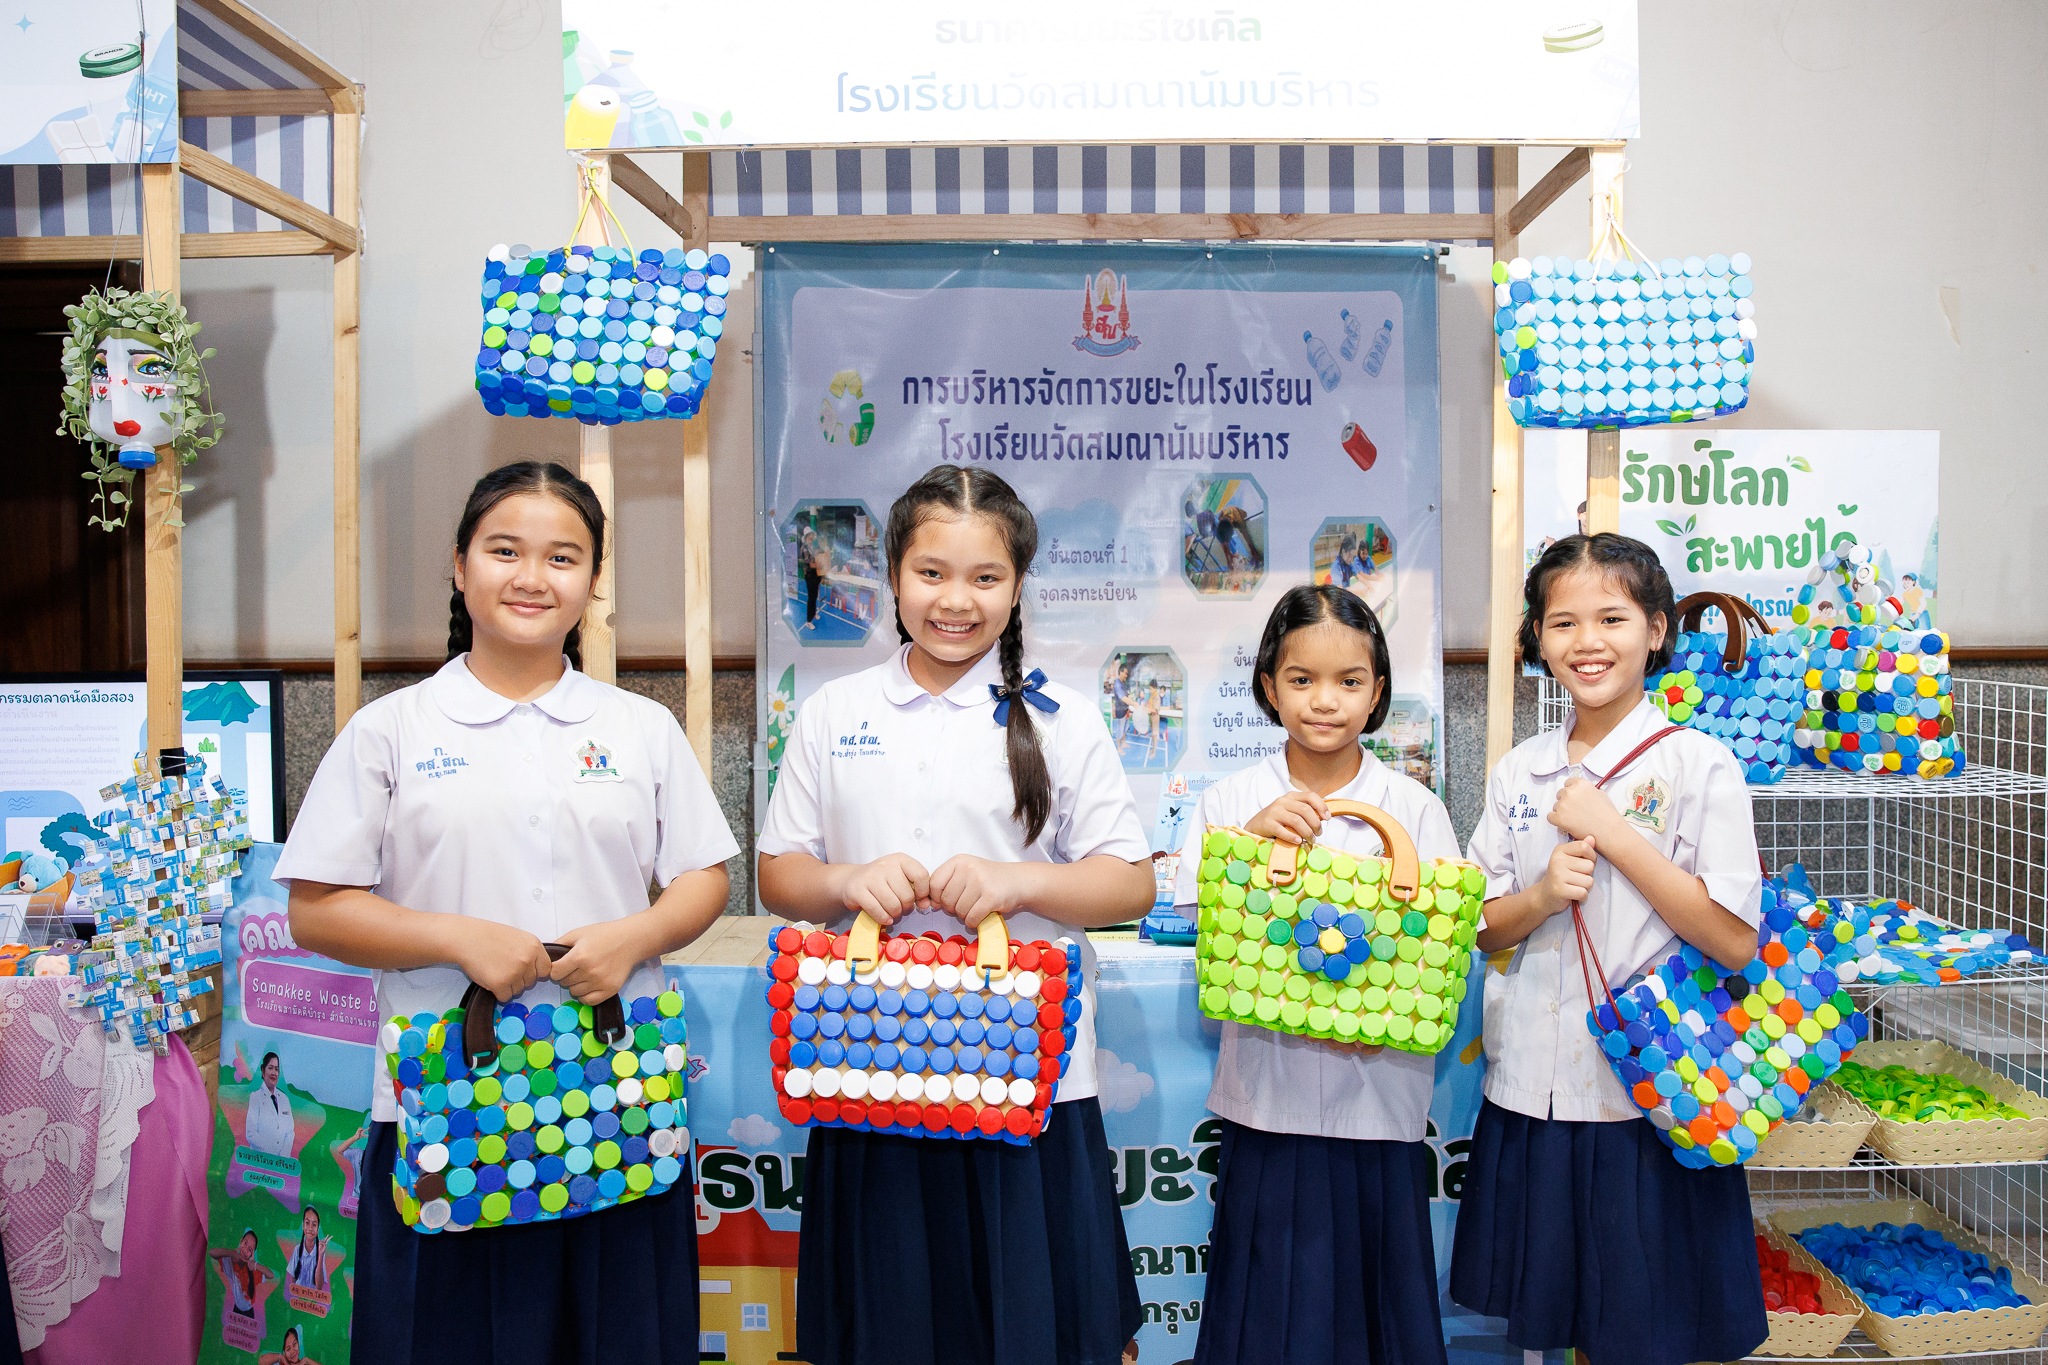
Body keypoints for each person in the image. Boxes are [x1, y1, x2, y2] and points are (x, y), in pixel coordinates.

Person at [276, 460, 739, 1365]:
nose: (533, 576)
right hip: (448, 1111)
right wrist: (457, 938)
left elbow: (703, 875)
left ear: (593, 580)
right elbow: (317, 909)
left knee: (622, 1338)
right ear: (459, 566)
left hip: (616, 1103)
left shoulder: (637, 726)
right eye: (504, 551)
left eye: (563, 556)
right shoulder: (392, 729)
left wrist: (636, 936)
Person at [757, 463, 1155, 1365]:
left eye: (985, 577)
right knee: (891, 1329)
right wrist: (847, 880)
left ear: (1017, 587)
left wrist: (1018, 884)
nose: (955, 600)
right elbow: (780, 874)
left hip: (1028, 1077)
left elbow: (1129, 882)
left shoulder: (1063, 717)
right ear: (893, 573)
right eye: (931, 572)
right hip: (870, 1066)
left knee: (1034, 1329)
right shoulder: (835, 711)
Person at [1450, 533, 1768, 1365]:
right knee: (1553, 1326)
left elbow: (1734, 939)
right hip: (1535, 1092)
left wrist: (1616, 835)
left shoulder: (1700, 765)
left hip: (1652, 1099)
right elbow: (1478, 924)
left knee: (1643, 1329)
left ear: (1656, 629)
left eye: (1612, 618)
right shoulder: (1520, 771)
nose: (1586, 641)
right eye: (1562, 622)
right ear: (1537, 636)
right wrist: (1539, 897)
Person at [1176, 584, 1453, 1365]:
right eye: (1302, 679)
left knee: (1378, 1301)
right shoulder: (1233, 799)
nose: (1324, 700)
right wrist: (1247, 844)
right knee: (1266, 1304)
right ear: (1269, 685)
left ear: (1378, 690)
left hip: (1379, 1100)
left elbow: (1443, 942)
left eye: (1349, 680)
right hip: (1269, 1100)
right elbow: (1196, 918)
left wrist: (1377, 1017)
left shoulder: (1415, 807)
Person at [210, 1230, 277, 1323]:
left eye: (250, 1249)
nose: (245, 1250)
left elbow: (271, 1275)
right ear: (240, 1241)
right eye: (245, 1243)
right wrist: (232, 1253)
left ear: (252, 1254)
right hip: (236, 1307)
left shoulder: (252, 1270)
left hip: (248, 1312)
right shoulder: (229, 1262)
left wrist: (255, 1264)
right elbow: (212, 1252)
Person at [243, 1051, 295, 1157]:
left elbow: (290, 1132)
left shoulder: (284, 1099)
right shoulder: (255, 1097)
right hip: (260, 1158)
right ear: (263, 1071)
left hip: (281, 1161)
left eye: (276, 1069)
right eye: (270, 1068)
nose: (274, 1073)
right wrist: (271, 1155)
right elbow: (251, 1134)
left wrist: (282, 1157)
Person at [285, 1206, 331, 1291]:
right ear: (303, 1226)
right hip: (297, 1296)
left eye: (314, 1225)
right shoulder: (297, 1249)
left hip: (312, 1296)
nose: (310, 1228)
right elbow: (292, 1279)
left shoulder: (320, 1252)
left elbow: (319, 1286)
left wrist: (320, 1255)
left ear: (317, 1230)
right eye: (307, 1223)